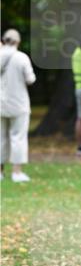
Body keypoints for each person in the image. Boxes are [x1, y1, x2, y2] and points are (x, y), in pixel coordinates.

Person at [0, 29, 36, 183]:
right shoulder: (22, 58)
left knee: (0, 138)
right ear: (18, 41)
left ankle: (0, 173)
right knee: (18, 137)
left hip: (0, 103)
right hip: (19, 103)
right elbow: (30, 79)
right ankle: (16, 172)